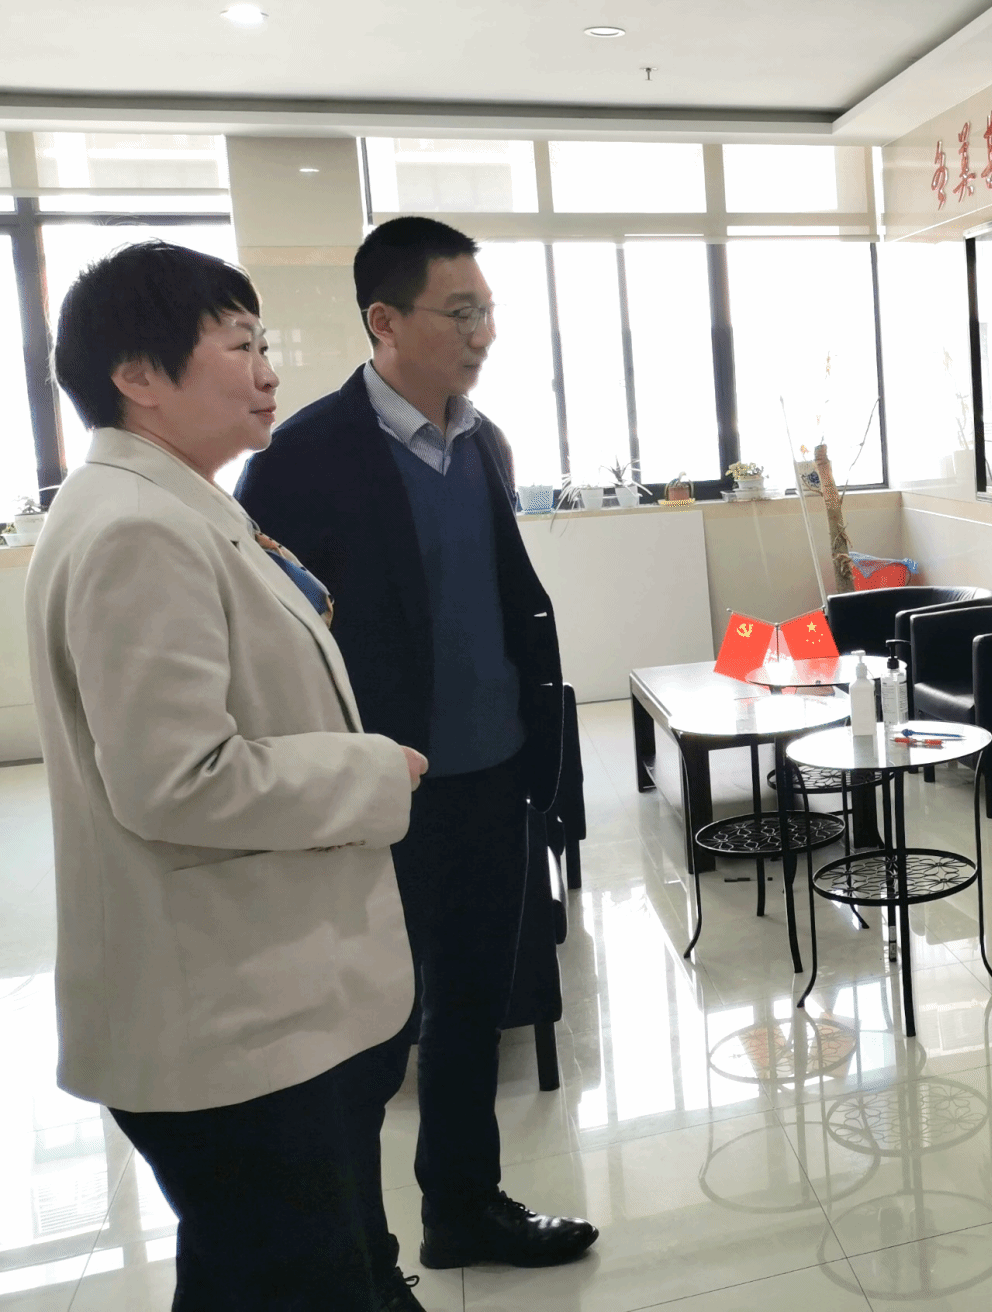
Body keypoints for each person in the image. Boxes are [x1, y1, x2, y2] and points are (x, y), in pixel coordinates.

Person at [25, 241, 425, 1309]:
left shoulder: (175, 505)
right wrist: (374, 771)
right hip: (231, 1027)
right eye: (240, 347)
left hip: (252, 1002)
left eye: (265, 345)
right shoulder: (139, 529)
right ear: (138, 375)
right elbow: (179, 780)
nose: (268, 372)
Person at [238, 217, 598, 1273]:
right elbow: (272, 642)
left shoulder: (482, 441)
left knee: (472, 1005)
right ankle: (360, 1257)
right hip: (375, 791)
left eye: (487, 311)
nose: (483, 332)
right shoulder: (301, 459)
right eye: (461, 311)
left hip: (492, 774)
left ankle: (463, 1209)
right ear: (385, 321)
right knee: (367, 1029)